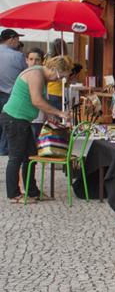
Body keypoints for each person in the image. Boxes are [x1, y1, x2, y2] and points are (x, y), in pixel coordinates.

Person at [1, 55, 71, 201]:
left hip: (22, 119)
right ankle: (14, 194)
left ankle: (32, 191)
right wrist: (59, 112)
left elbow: (40, 100)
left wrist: (48, 114)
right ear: (54, 69)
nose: (58, 80)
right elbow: (36, 100)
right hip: (15, 118)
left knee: (31, 155)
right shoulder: (36, 74)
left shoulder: (41, 75)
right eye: (60, 76)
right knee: (16, 157)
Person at [0, 29, 27, 155]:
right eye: (17, 39)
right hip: (11, 95)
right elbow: (27, 74)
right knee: (8, 126)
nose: (18, 42)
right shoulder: (18, 56)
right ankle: (4, 151)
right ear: (11, 39)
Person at [25, 48, 45, 140]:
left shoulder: (43, 76)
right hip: (24, 117)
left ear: (42, 61)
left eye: (37, 60)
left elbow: (45, 98)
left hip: (38, 118)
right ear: (26, 60)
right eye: (31, 59)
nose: (34, 62)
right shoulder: (23, 75)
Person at [46, 38, 67, 109]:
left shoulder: (47, 60)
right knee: (59, 116)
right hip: (59, 91)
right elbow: (68, 75)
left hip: (48, 90)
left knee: (52, 116)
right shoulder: (65, 60)